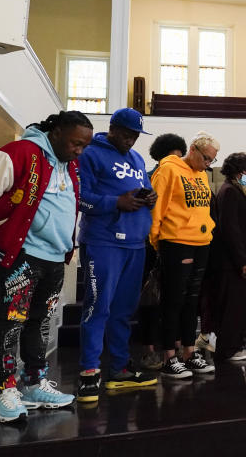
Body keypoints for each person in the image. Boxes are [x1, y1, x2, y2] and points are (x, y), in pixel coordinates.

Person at [0, 111, 93, 422]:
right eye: (76, 143)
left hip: (54, 258)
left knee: (40, 321)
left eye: (84, 146)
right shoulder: (20, 152)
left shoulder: (70, 166)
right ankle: (4, 391)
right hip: (23, 255)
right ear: (58, 132)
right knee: (11, 320)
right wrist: (3, 231)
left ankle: (34, 383)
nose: (79, 151)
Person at [75, 108, 158, 404]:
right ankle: (88, 373)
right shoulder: (90, 154)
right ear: (112, 127)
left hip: (135, 243)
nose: (131, 140)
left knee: (123, 311)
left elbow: (145, 190)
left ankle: (119, 369)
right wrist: (116, 202)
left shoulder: (136, 159)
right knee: (98, 308)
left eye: (135, 136)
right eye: (126, 134)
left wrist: (150, 197)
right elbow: (79, 196)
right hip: (103, 241)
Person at [149, 131, 218, 378]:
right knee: (174, 300)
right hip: (176, 241)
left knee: (192, 301)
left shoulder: (200, 175)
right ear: (193, 150)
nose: (208, 164)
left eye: (212, 160)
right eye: (206, 158)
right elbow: (157, 207)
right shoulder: (168, 169)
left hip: (201, 242)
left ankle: (189, 352)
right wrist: (156, 239)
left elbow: (204, 209)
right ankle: (170, 356)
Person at [198, 152, 246, 361]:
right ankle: (229, 349)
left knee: (238, 305)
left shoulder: (232, 189)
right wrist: (243, 261)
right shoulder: (230, 192)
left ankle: (231, 346)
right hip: (231, 263)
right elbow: (230, 230)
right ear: (238, 171)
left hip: (233, 261)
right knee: (233, 307)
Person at [138, 133, 188, 370]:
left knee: (175, 298)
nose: (177, 161)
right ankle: (149, 350)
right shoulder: (148, 177)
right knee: (150, 299)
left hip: (174, 244)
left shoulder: (183, 177)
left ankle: (174, 345)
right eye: (173, 156)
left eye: (180, 156)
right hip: (150, 244)